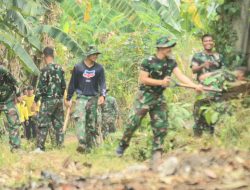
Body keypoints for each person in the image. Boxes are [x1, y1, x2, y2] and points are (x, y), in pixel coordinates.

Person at [115, 36, 203, 170]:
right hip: (144, 96)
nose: (170, 49)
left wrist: (194, 86)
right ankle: (122, 145)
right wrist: (161, 82)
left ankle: (157, 154)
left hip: (158, 97)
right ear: (161, 48)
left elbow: (181, 77)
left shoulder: (171, 62)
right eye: (168, 46)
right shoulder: (148, 61)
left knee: (161, 126)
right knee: (134, 122)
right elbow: (143, 79)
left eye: (171, 46)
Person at [65, 45, 106, 153]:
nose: (96, 56)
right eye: (93, 54)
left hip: (93, 98)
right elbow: (72, 84)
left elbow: (102, 83)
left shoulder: (99, 68)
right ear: (87, 54)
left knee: (92, 122)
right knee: (80, 120)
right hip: (81, 98)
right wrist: (68, 98)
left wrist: (103, 95)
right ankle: (82, 143)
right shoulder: (78, 67)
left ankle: (91, 145)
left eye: (97, 54)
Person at [33, 47, 66, 152]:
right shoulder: (60, 69)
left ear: (44, 56)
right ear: (53, 55)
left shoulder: (45, 70)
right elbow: (64, 86)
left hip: (48, 100)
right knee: (58, 124)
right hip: (59, 100)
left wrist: (35, 101)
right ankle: (59, 146)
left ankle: (40, 147)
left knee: (43, 123)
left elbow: (41, 88)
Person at [190, 34, 225, 136]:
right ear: (202, 43)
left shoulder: (219, 56)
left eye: (210, 40)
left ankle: (210, 136)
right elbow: (193, 69)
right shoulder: (198, 56)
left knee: (214, 112)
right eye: (206, 41)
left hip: (216, 89)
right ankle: (197, 137)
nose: (208, 42)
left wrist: (215, 74)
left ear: (213, 42)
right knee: (199, 112)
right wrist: (203, 65)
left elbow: (224, 71)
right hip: (203, 89)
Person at [0, 62, 22, 152]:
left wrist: (18, 95)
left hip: (8, 99)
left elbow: (15, 82)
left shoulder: (2, 69)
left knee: (13, 123)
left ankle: (15, 147)